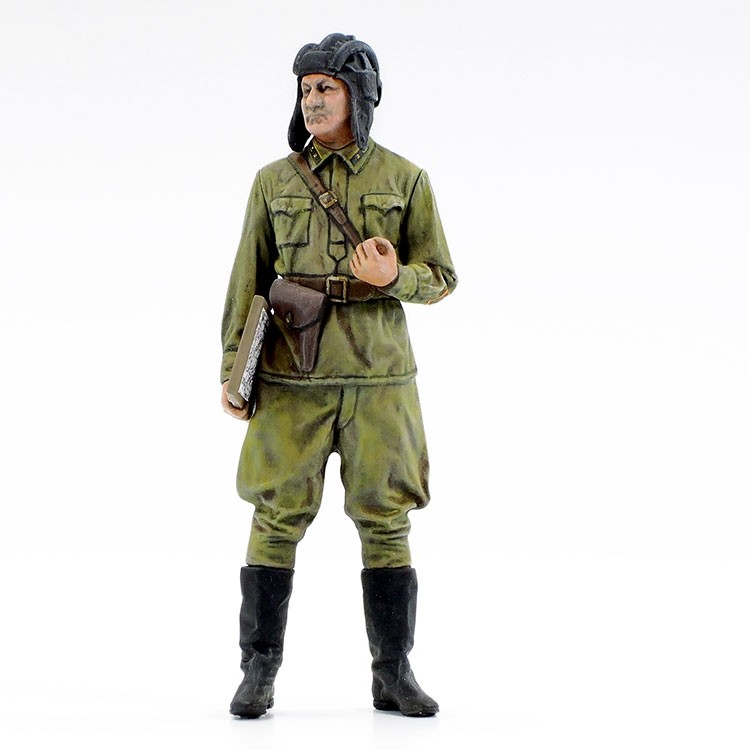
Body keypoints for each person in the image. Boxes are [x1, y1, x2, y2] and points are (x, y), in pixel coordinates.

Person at [219, 33, 457, 719]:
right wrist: (234, 369)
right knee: (275, 517)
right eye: (306, 89)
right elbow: (247, 279)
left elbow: (441, 277)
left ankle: (393, 672)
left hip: (380, 378)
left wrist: (394, 276)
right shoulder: (274, 181)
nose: (313, 100)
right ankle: (258, 671)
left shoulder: (406, 179)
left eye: (326, 87)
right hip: (293, 373)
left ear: (359, 95)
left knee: (387, 520)